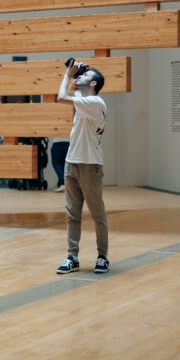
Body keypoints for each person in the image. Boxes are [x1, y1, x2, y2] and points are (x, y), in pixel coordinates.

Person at [54, 59, 109, 274]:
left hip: (90, 165)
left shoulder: (96, 103)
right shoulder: (84, 100)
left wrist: (68, 75)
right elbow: (70, 92)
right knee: (72, 214)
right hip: (72, 162)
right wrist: (77, 74)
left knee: (98, 214)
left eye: (86, 76)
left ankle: (103, 256)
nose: (80, 77)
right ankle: (72, 257)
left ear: (94, 83)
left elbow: (61, 97)